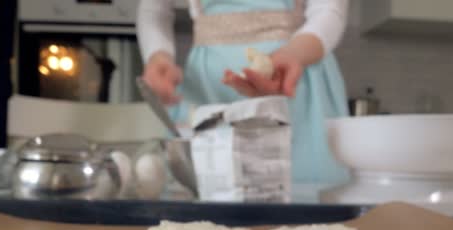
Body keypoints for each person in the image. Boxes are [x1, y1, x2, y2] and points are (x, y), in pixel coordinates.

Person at [138, 0, 349, 186]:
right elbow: (153, 9)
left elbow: (329, 9)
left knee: (307, 213)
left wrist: (292, 53)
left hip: (294, 76)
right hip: (206, 88)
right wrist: (157, 56)